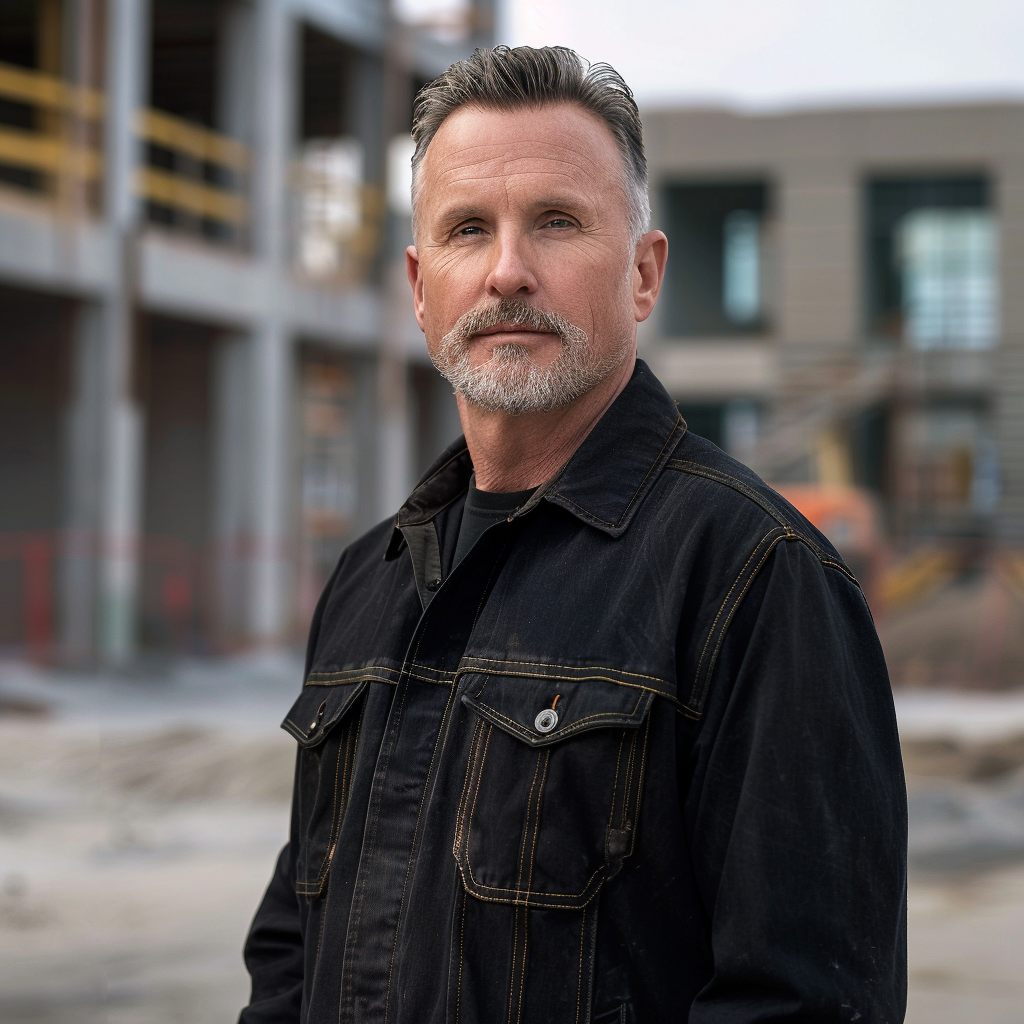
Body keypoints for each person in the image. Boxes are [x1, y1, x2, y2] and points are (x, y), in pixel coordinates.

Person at [240, 45, 907, 1024]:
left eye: (555, 222)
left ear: (643, 274)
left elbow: (802, 1004)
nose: (508, 272)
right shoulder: (367, 578)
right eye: (469, 229)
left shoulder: (758, 580)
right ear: (421, 290)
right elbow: (293, 950)